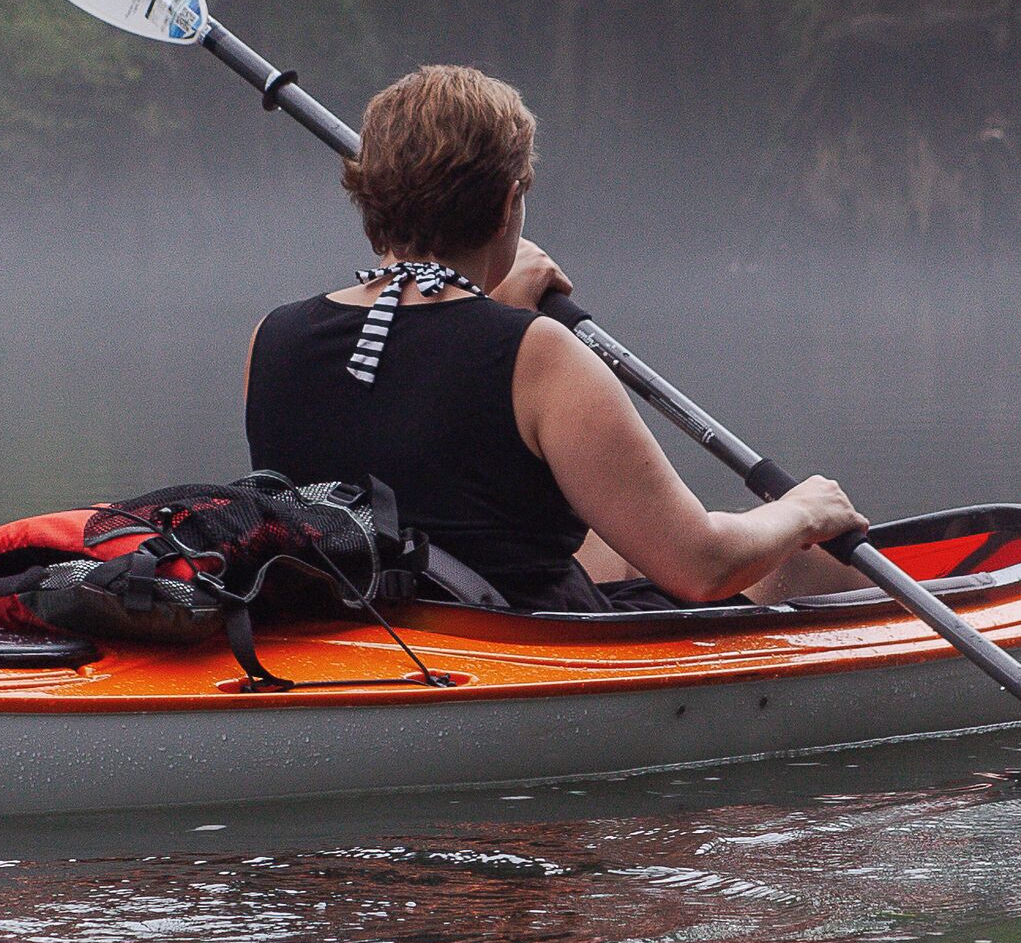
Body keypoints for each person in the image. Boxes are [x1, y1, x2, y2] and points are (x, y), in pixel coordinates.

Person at [243, 65, 865, 610]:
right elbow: (701, 568)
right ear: (507, 204)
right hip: (517, 636)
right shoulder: (538, 355)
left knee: (609, 534)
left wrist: (490, 312)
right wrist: (802, 510)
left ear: (371, 205)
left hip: (360, 618)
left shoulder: (272, 338)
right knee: (804, 559)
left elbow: (407, 413)